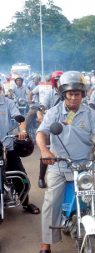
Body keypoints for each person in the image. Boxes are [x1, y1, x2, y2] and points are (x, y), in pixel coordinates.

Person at [35, 71, 95, 253]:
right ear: (63, 93)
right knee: (51, 201)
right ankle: (45, 245)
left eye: (78, 93)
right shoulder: (54, 112)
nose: (74, 97)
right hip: (59, 163)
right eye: (70, 94)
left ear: (83, 94)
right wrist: (45, 150)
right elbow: (41, 133)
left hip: (84, 163)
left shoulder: (88, 112)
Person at [0, 84, 40, 215]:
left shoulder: (8, 103)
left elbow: (20, 119)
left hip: (7, 146)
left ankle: (26, 203)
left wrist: (22, 130)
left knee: (20, 175)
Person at [36, 71, 63, 189]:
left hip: (66, 126)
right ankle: (41, 177)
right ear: (54, 82)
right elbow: (41, 107)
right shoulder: (50, 94)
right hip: (50, 125)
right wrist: (40, 116)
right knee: (46, 151)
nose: (60, 83)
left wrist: (70, 121)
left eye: (61, 81)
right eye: (57, 81)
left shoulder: (69, 93)